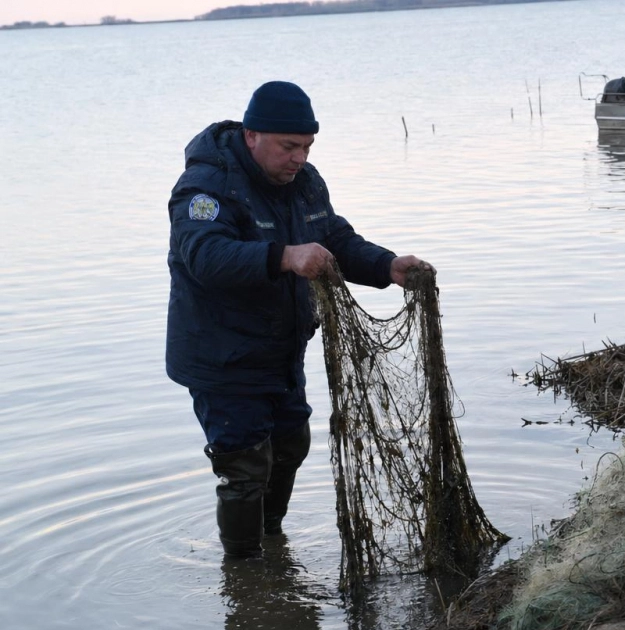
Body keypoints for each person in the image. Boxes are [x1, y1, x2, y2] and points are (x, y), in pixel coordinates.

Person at [166, 81, 430, 559]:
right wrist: (284, 256)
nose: (299, 158)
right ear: (252, 136)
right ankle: (244, 572)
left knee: (291, 445)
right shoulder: (206, 185)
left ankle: (273, 546)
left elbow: (333, 239)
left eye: (307, 147)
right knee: (245, 468)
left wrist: (387, 266)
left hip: (281, 348)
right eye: (289, 146)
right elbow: (204, 256)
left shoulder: (304, 183)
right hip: (220, 353)